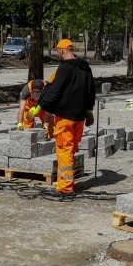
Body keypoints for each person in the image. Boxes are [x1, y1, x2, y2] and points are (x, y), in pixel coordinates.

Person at [27, 39, 95, 196]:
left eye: (58, 51)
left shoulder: (65, 68)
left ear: (62, 50)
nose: (58, 54)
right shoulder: (85, 68)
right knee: (70, 151)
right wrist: (89, 111)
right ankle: (67, 182)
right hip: (79, 118)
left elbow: (54, 91)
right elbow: (90, 90)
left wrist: (38, 107)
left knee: (64, 151)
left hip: (65, 117)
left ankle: (65, 188)